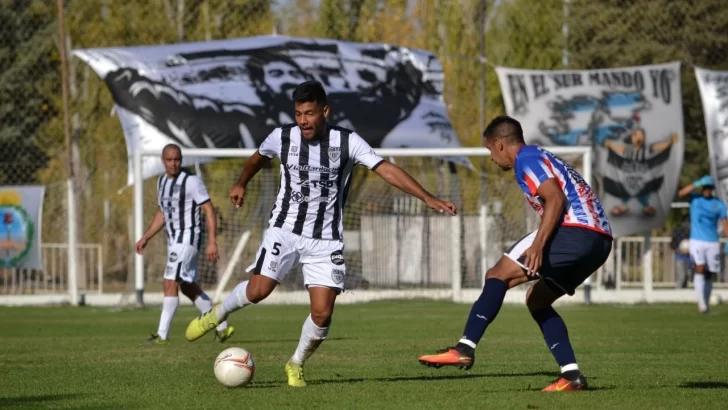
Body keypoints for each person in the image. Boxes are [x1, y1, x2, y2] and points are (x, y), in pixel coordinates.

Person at [184, 80, 457, 387]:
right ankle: (218, 313)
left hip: (326, 239)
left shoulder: (348, 141)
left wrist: (427, 197)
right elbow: (258, 157)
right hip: (285, 229)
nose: (303, 120)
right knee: (259, 291)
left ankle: (295, 363)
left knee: (323, 313)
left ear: (324, 111)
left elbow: (385, 169)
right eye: (299, 113)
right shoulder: (283, 137)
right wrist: (240, 183)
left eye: (310, 113)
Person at [418, 115, 613, 392]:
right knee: (537, 300)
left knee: (497, 274)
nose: (492, 158)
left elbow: (555, 198)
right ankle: (571, 376)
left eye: (489, 150)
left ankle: (464, 348)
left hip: (576, 231)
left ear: (499, 144)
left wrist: (539, 244)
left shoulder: (526, 158)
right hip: (600, 243)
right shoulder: (541, 156)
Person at [135, 144, 234, 344]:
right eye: (169, 160)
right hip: (174, 241)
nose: (174, 163)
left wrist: (212, 241)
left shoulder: (191, 181)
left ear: (181, 160)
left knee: (169, 281)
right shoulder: (162, 182)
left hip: (188, 239)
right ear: (163, 161)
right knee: (188, 287)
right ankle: (222, 326)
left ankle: (162, 335)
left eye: (177, 159)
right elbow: (163, 213)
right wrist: (146, 236)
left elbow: (208, 210)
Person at [677, 175, 728, 313]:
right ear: (702, 189)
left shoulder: (719, 204)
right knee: (699, 267)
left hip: (712, 242)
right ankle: (702, 305)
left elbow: (725, 223)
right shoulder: (695, 199)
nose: (707, 190)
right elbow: (681, 193)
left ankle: (706, 302)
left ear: (712, 189)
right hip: (697, 240)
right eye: (704, 188)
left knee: (710, 272)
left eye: (709, 188)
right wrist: (696, 183)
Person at [669, 220, 691, 289]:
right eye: (686, 221)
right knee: (681, 275)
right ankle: (678, 290)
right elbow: (672, 244)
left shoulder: (693, 232)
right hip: (680, 257)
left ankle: (684, 289)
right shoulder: (678, 232)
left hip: (689, 257)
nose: (688, 224)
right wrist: (678, 250)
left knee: (688, 274)